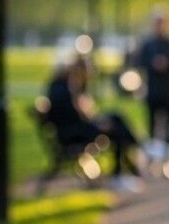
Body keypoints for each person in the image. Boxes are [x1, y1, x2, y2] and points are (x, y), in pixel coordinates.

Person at [45, 56, 143, 191]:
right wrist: (97, 124)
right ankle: (123, 168)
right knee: (117, 131)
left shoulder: (63, 86)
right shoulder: (62, 90)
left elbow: (80, 112)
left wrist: (95, 120)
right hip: (74, 134)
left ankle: (132, 155)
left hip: (78, 128)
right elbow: (75, 117)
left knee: (116, 117)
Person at [137, 8, 169, 160]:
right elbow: (140, 63)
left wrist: (167, 64)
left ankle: (167, 157)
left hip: (168, 91)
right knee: (152, 127)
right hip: (152, 91)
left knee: (168, 127)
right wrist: (153, 64)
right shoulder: (148, 45)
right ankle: (152, 157)